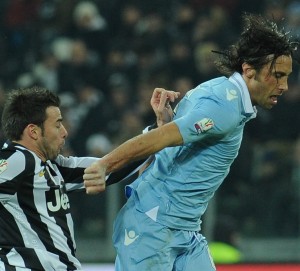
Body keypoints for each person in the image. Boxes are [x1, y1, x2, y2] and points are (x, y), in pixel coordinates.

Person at [83, 13, 299, 271]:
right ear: (249, 70)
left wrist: (164, 122)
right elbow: (161, 139)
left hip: (185, 230)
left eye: (287, 76)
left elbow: (171, 138)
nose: (284, 85)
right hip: (154, 227)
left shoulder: (218, 90)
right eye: (277, 75)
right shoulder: (225, 108)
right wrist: (105, 164)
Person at [0, 86, 179, 270]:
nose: (64, 132)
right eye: (57, 124)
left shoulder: (55, 166)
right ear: (34, 132)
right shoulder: (17, 160)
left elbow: (113, 165)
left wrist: (158, 130)